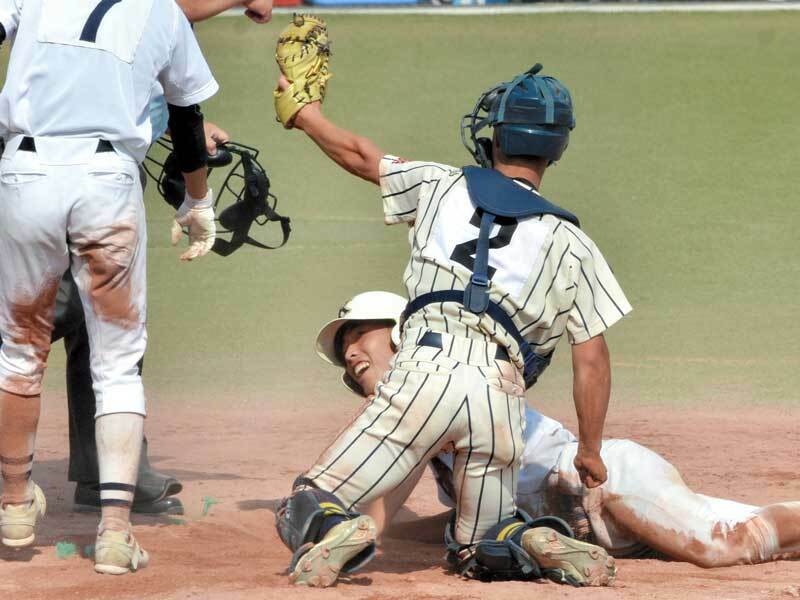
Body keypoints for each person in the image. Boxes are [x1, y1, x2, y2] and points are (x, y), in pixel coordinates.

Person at [273, 59, 630, 588]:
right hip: (501, 397)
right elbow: (592, 359)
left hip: (425, 373)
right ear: (557, 147)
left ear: (497, 134)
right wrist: (591, 451)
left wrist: (306, 115)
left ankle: (333, 528)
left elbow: (359, 156)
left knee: (309, 499)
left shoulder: (441, 184)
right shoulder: (571, 241)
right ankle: (525, 539)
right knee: (476, 546)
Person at [318, 291, 800, 568]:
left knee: (726, 545)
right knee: (757, 527)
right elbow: (415, 518)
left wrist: (340, 532)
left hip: (603, 488)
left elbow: (383, 508)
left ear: (402, 329)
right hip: (596, 524)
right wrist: (396, 532)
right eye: (344, 355)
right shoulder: (421, 415)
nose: (352, 353)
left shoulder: (444, 381)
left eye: (358, 333)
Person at [0, 0, 218, 575]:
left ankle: (16, 505)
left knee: (19, 353)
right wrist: (198, 201)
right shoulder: (163, 12)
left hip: (25, 172)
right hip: (107, 183)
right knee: (117, 363)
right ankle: (116, 535)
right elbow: (187, 116)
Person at [65, 0, 271, 516]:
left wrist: (176, 119)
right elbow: (168, 9)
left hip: (77, 163)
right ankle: (108, 472)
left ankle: (105, 473)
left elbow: (131, 40)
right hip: (74, 169)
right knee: (78, 315)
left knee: (93, 323)